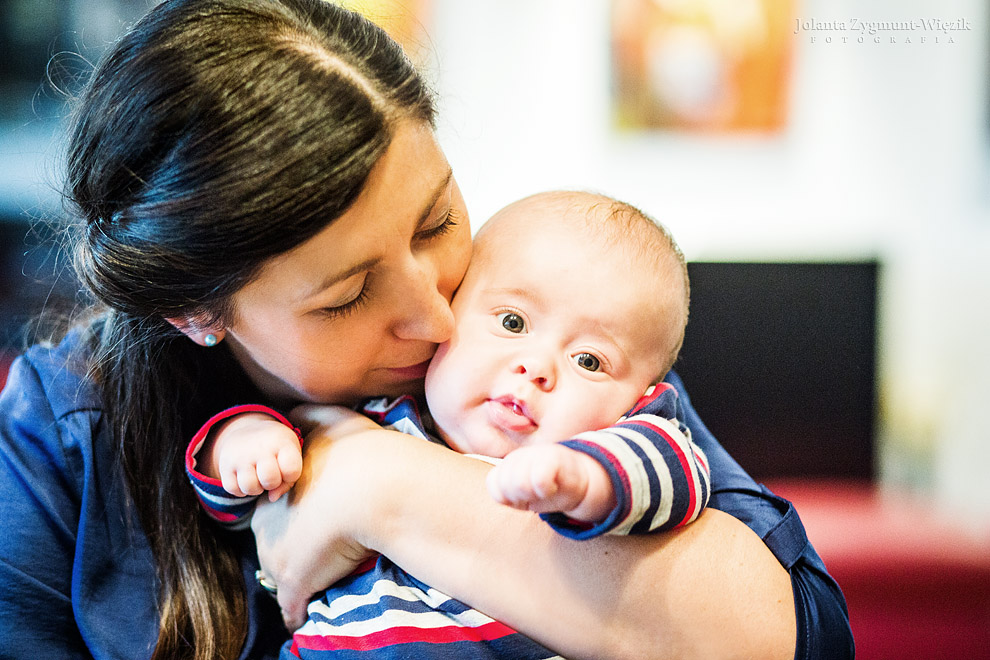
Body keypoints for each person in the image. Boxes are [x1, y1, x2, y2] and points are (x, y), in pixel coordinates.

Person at [0, 1, 853, 659]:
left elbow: (794, 632)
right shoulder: (63, 434)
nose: (439, 315)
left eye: (436, 222)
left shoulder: (534, 356)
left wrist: (374, 482)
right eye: (347, 295)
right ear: (197, 314)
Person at [185, 190, 712, 657]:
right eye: (512, 323)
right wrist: (244, 441)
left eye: (589, 361)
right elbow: (239, 511)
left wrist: (587, 481)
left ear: (642, 398)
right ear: (454, 308)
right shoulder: (369, 417)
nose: (537, 366)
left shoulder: (616, 445)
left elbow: (676, 473)